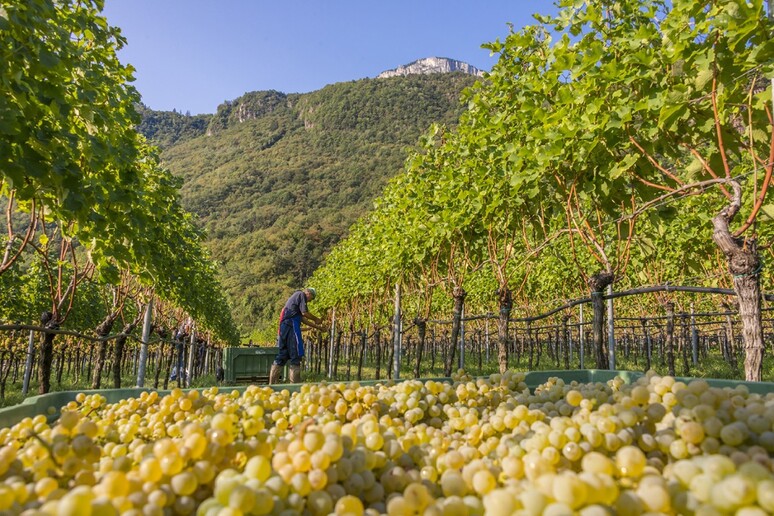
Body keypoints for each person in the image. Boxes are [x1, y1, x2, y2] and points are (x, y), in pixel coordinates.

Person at [270, 287, 325, 384]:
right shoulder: (301, 294)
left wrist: (318, 327)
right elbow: (305, 313)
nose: (309, 301)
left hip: (285, 327)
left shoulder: (295, 300)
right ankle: (295, 387)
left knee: (282, 355)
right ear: (308, 293)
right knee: (295, 356)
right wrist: (316, 319)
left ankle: (272, 385)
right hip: (291, 327)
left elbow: (302, 319)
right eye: (311, 298)